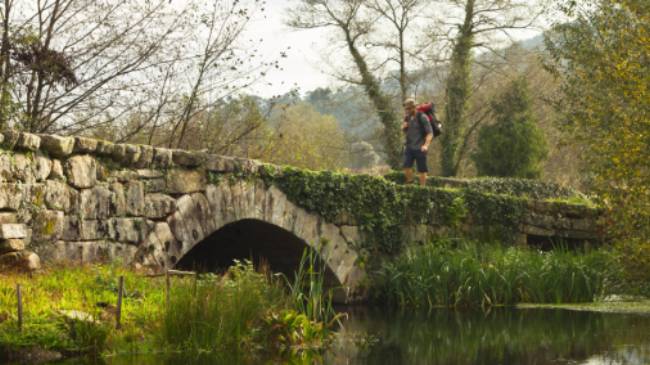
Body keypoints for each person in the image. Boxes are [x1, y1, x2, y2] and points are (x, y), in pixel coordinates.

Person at [402, 98, 433, 186]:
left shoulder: (422, 117)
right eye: (406, 109)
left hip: (420, 147)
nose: (407, 110)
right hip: (409, 146)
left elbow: (430, 133)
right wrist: (404, 128)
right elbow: (406, 131)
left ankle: (422, 189)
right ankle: (410, 183)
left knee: (422, 170)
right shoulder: (407, 117)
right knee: (406, 166)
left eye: (409, 108)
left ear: (414, 107)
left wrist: (426, 145)